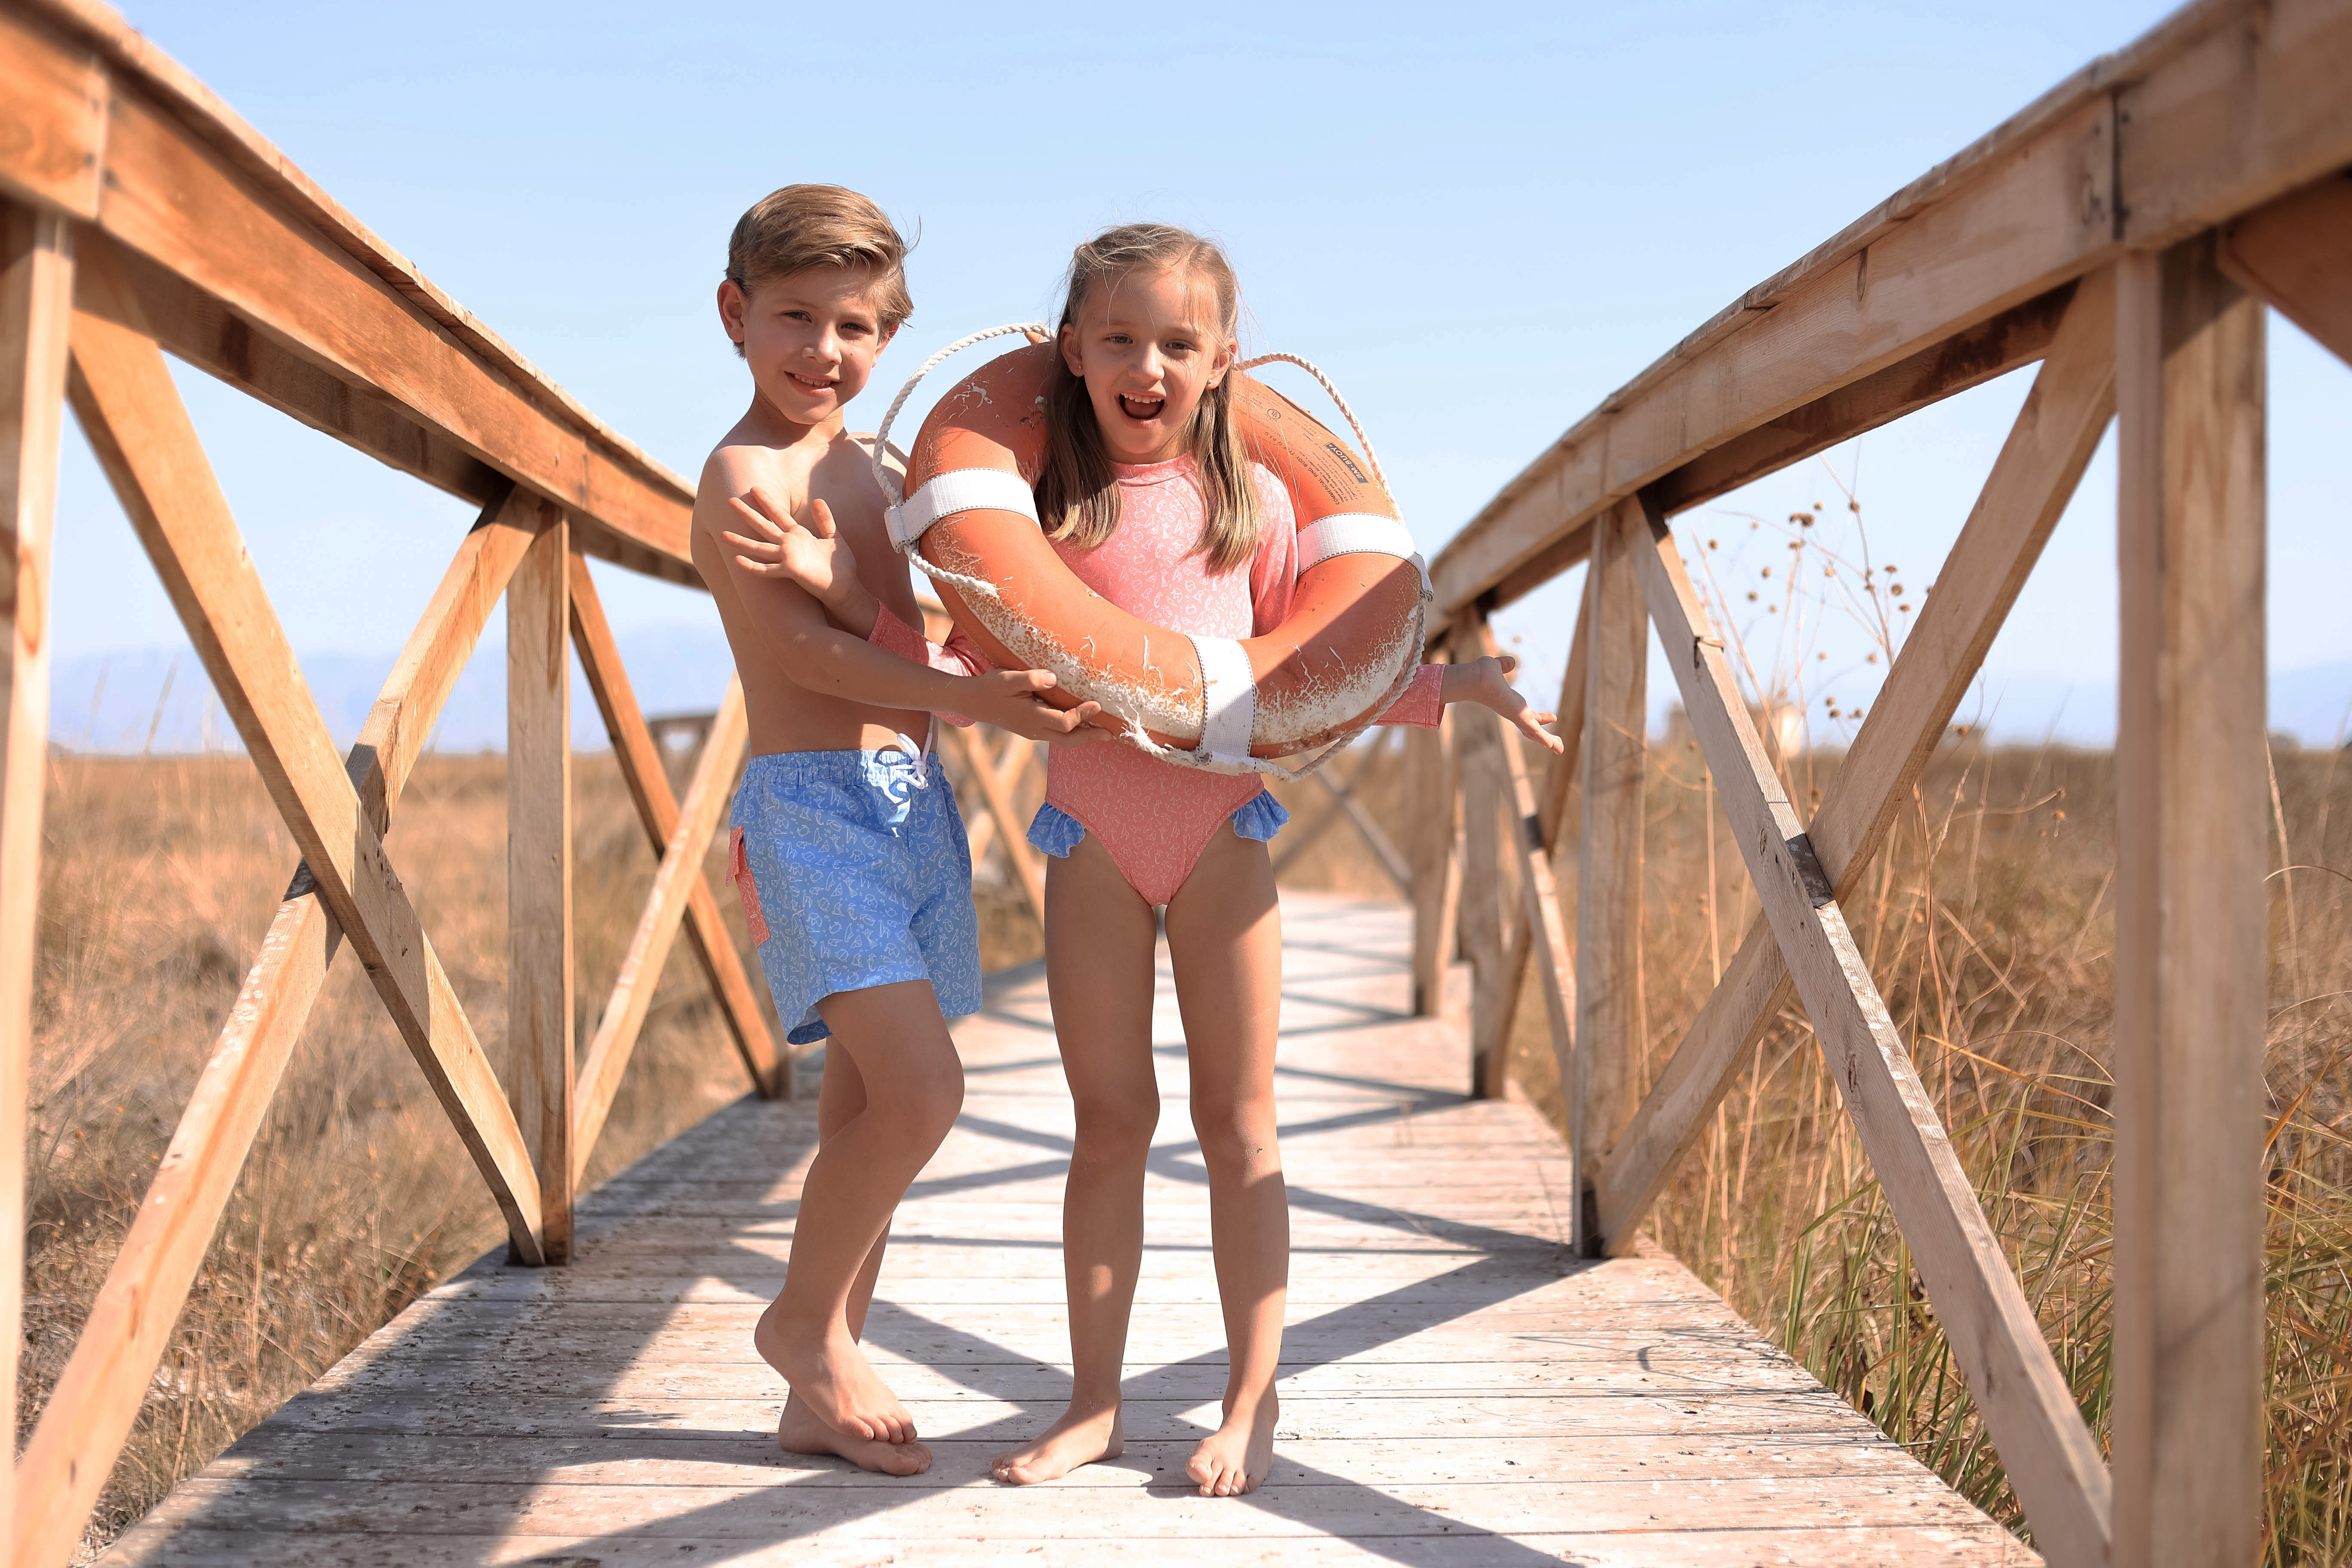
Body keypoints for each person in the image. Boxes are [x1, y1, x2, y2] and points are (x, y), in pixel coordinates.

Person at [724, 222, 1558, 1497]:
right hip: (1091, 848)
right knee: (1109, 1126)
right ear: (1072, 350)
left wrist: (1452, 687)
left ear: (1224, 361)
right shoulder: (1040, 514)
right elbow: (961, 666)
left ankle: (1251, 1404)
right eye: (1119, 339)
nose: (1147, 366)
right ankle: (1094, 1404)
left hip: (1223, 842)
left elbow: (1305, 685)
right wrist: (838, 586)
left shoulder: (1257, 510)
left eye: (1177, 343)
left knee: (1242, 1125)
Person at [695, 184, 1102, 1479]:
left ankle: (824, 1382)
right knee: (927, 1093)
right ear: (735, 315)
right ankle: (801, 1328)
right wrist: (976, 702)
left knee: (866, 1105)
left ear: (890, 333)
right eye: (795, 317)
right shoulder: (743, 475)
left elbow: (904, 625)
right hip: (812, 810)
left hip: (912, 805)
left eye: (857, 326)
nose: (824, 349)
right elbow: (803, 655)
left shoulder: (879, 471)